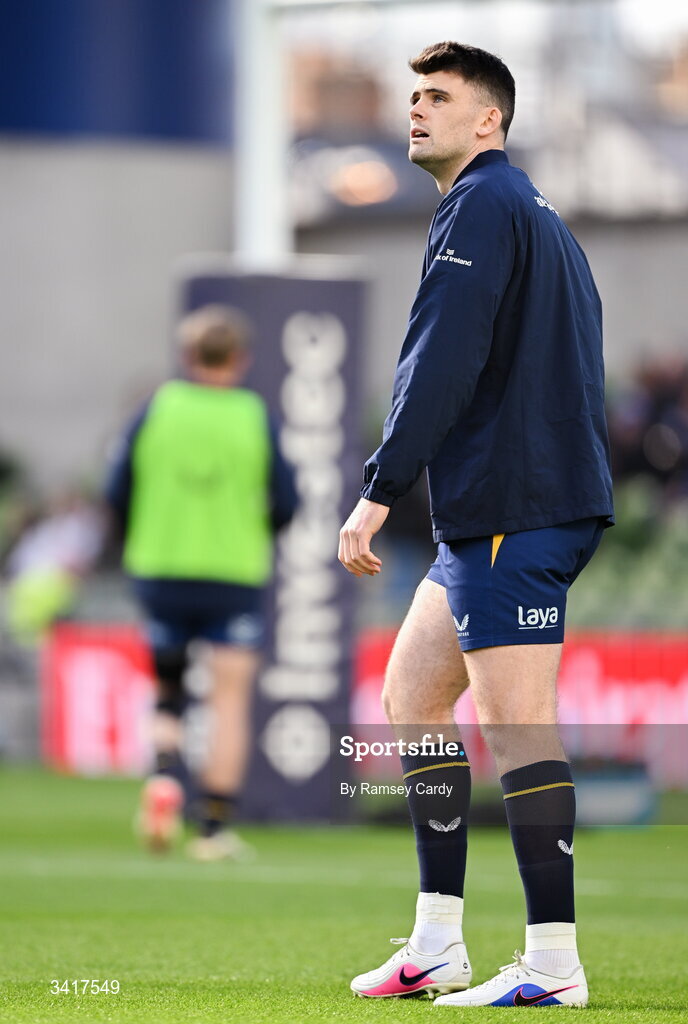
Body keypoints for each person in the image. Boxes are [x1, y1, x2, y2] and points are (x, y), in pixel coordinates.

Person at [338, 42, 613, 1007]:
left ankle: (551, 963)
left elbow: (440, 356)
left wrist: (380, 487)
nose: (416, 109)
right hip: (494, 509)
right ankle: (437, 943)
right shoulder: (527, 209)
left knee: (515, 725)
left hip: (514, 506)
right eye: (413, 95)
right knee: (412, 696)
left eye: (438, 97)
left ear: (486, 120)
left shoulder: (483, 206)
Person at [105, 304, 297, 860]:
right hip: (232, 572)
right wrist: (251, 530)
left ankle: (164, 778)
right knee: (228, 700)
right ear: (241, 357)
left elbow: (117, 488)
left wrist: (142, 535)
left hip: (161, 567)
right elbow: (287, 501)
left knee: (168, 690)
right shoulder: (252, 415)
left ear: (188, 355)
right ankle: (213, 830)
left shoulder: (157, 408)